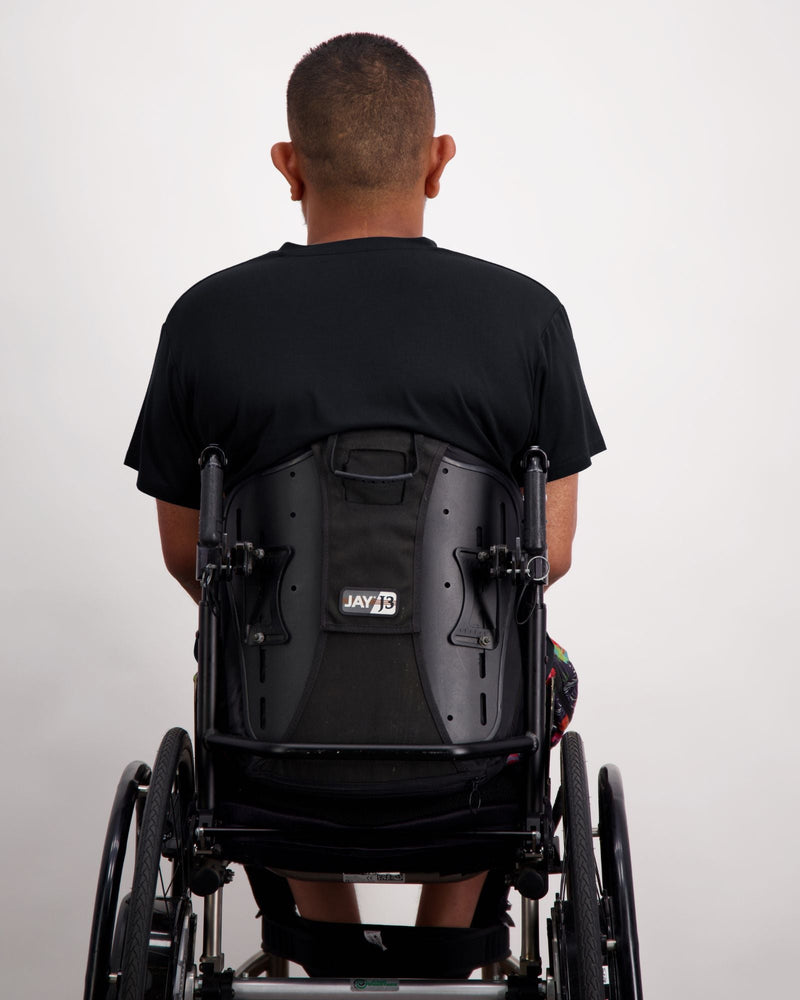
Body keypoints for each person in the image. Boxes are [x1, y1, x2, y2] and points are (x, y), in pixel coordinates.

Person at [125, 32, 605, 935]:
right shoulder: (528, 319)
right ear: (437, 162)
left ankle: (323, 922)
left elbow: (192, 556)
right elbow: (553, 554)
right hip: (471, 750)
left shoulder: (206, 318)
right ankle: (452, 927)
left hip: (270, 749)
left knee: (238, 646)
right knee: (545, 668)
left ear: (288, 165)